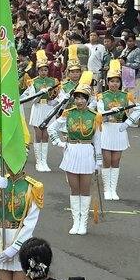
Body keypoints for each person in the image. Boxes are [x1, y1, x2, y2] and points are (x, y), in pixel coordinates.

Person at [48, 72, 102, 235]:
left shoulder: (95, 116)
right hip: (71, 151)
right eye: (77, 97)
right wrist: (59, 143)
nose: (79, 101)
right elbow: (52, 128)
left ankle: (83, 223)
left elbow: (98, 140)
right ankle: (75, 221)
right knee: (74, 189)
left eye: (82, 98)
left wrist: (98, 161)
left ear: (88, 99)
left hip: (87, 152)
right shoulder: (68, 113)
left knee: (84, 189)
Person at [96, 59, 139, 200]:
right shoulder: (102, 96)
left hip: (120, 129)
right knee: (107, 160)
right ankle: (106, 190)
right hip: (107, 129)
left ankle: (113, 189)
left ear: (120, 83)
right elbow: (100, 113)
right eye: (112, 81)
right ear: (107, 82)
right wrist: (109, 112)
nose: (114, 84)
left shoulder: (126, 96)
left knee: (116, 160)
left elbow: (137, 109)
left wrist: (127, 123)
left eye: (117, 81)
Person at [23, 50, 57, 173]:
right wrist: (40, 93)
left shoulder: (53, 82)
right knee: (38, 135)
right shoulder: (34, 82)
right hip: (37, 108)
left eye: (46, 70)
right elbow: (32, 99)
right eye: (41, 70)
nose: (44, 72)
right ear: (38, 70)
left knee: (46, 135)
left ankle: (44, 161)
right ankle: (39, 161)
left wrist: (52, 101)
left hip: (48, 108)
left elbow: (56, 98)